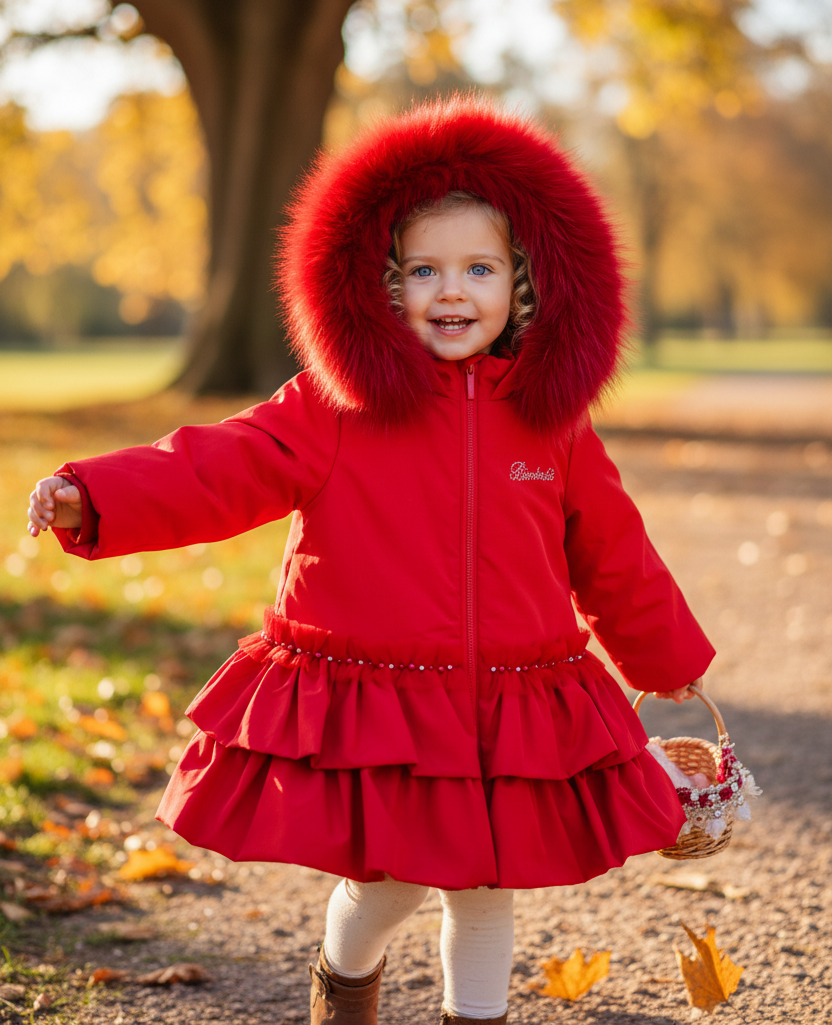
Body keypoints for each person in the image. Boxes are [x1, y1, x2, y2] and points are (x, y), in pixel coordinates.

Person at [27, 98, 713, 1025]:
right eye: (424, 270)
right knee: (386, 887)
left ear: (526, 283)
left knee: (485, 890)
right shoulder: (335, 406)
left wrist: (666, 661)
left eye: (480, 268)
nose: (452, 291)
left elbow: (612, 548)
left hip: (508, 704)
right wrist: (96, 492)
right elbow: (221, 465)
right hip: (385, 703)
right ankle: (344, 981)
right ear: (384, 288)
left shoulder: (550, 419)